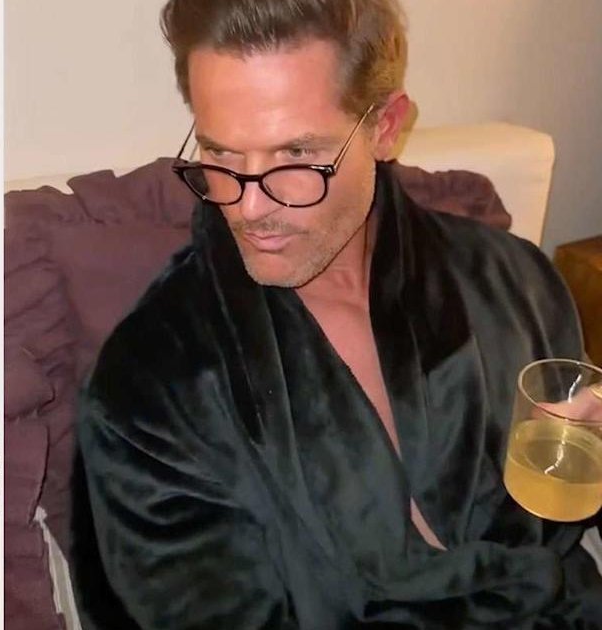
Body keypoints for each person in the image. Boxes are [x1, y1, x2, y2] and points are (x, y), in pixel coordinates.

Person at [71, 0, 602, 627]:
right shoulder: (152, 386)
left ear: (385, 127)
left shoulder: (513, 284)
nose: (248, 208)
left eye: (297, 156)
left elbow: (563, 513)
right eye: (221, 154)